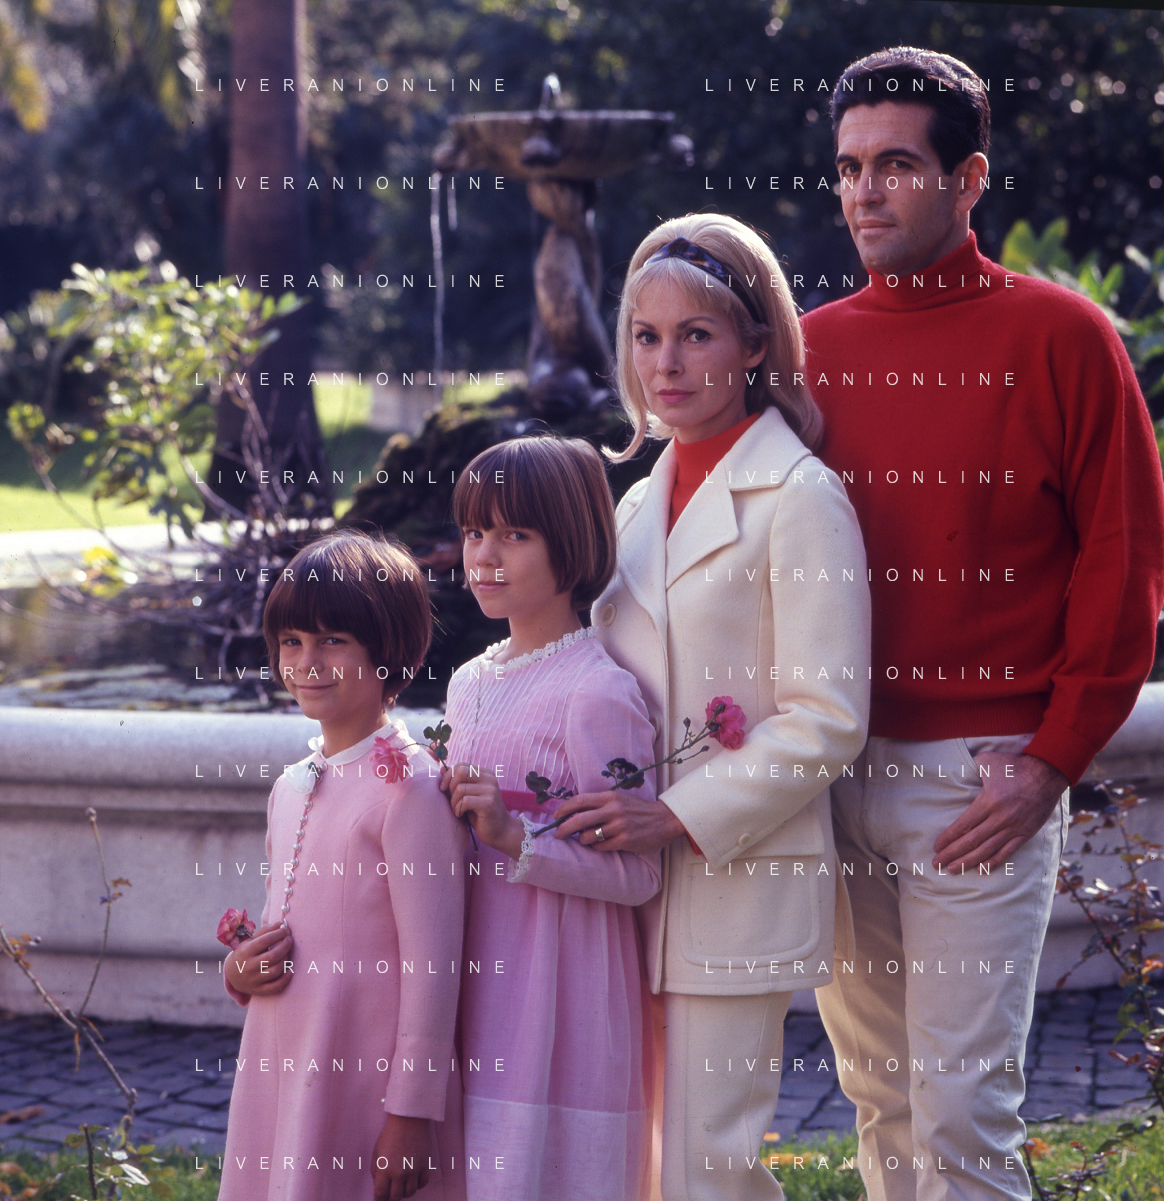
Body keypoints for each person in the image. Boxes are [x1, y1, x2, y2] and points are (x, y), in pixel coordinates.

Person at [801, 47, 1164, 1201]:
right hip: (832, 769)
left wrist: (1052, 760)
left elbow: (1124, 562)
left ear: (969, 179)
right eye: (849, 167)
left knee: (963, 1117)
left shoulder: (1064, 337)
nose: (865, 191)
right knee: (883, 1102)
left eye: (895, 165)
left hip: (981, 780)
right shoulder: (807, 352)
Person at [550, 213, 872, 1201]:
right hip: (622, 891)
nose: (667, 362)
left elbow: (827, 717)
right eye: (647, 336)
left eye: (697, 334)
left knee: (706, 1170)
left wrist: (677, 814)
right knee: (631, 1167)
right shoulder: (633, 506)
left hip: (736, 884)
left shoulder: (802, 496)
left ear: (757, 344)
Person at [441, 436, 661, 1201]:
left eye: (514, 534)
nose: (485, 555)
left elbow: (638, 872)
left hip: (559, 986)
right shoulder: (467, 682)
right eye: (475, 531)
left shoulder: (597, 690)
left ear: (570, 543)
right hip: (476, 971)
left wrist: (516, 836)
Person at [218, 531, 467, 1201]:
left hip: (366, 1073)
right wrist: (240, 971)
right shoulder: (291, 784)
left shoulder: (411, 792)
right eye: (291, 641)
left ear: (388, 650)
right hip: (283, 1051)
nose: (307, 662)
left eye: (332, 641)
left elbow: (435, 965)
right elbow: (280, 925)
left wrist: (411, 1112)